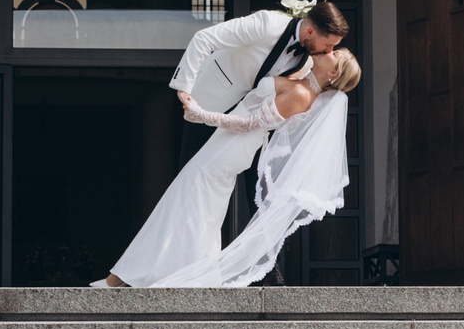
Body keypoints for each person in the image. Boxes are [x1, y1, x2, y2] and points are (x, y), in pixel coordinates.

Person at [102, 0, 348, 287]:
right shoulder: (269, 24)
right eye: (328, 46)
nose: (327, 51)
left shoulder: (306, 64)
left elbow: (273, 109)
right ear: (310, 32)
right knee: (192, 195)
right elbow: (204, 38)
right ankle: (180, 272)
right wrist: (184, 89)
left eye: (332, 50)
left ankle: (238, 272)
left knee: (202, 194)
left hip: (240, 130)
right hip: (208, 100)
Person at [148, 49, 360, 288]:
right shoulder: (300, 73)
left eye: (335, 54)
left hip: (235, 143)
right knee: (204, 205)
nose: (329, 50)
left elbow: (250, 124)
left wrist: (203, 116)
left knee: (199, 197)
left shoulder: (301, 94)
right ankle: (189, 266)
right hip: (227, 137)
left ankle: (187, 270)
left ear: (332, 74)